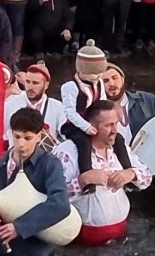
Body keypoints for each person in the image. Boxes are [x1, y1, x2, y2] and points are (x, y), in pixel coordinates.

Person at [0, 106, 72, 256]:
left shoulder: (50, 164)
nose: (21, 144)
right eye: (17, 136)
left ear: (39, 136)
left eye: (28, 138)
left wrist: (19, 227)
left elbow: (60, 204)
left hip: (34, 252)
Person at [52, 99, 148, 245]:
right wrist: (82, 181)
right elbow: (52, 197)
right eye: (108, 125)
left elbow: (147, 177)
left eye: (116, 123)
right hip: (83, 241)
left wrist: (131, 174)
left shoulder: (119, 147)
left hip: (121, 235)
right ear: (91, 127)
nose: (115, 130)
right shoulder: (68, 152)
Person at [5, 62, 67, 146]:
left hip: (46, 157)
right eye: (27, 82)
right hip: (16, 156)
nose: (30, 87)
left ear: (46, 85)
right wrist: (5, 152)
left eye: (35, 83)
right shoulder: (10, 104)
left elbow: (66, 136)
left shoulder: (57, 106)